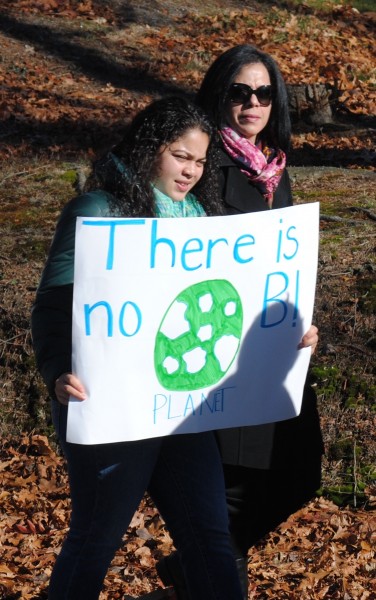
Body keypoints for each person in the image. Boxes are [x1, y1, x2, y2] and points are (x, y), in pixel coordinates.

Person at [31, 96, 245, 600]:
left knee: (211, 538)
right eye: (180, 156)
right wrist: (58, 370)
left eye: (199, 160)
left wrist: (286, 338)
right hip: (109, 405)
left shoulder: (203, 220)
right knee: (95, 541)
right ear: (152, 148)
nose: (191, 171)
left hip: (182, 406)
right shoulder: (96, 208)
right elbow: (52, 307)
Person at [155, 45, 324, 600]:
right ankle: (217, 579)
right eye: (239, 92)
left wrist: (305, 320)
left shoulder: (275, 168)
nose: (253, 103)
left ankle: (201, 568)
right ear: (219, 95)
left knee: (301, 474)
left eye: (264, 92)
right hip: (220, 343)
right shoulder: (205, 167)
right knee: (233, 484)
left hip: (277, 345)